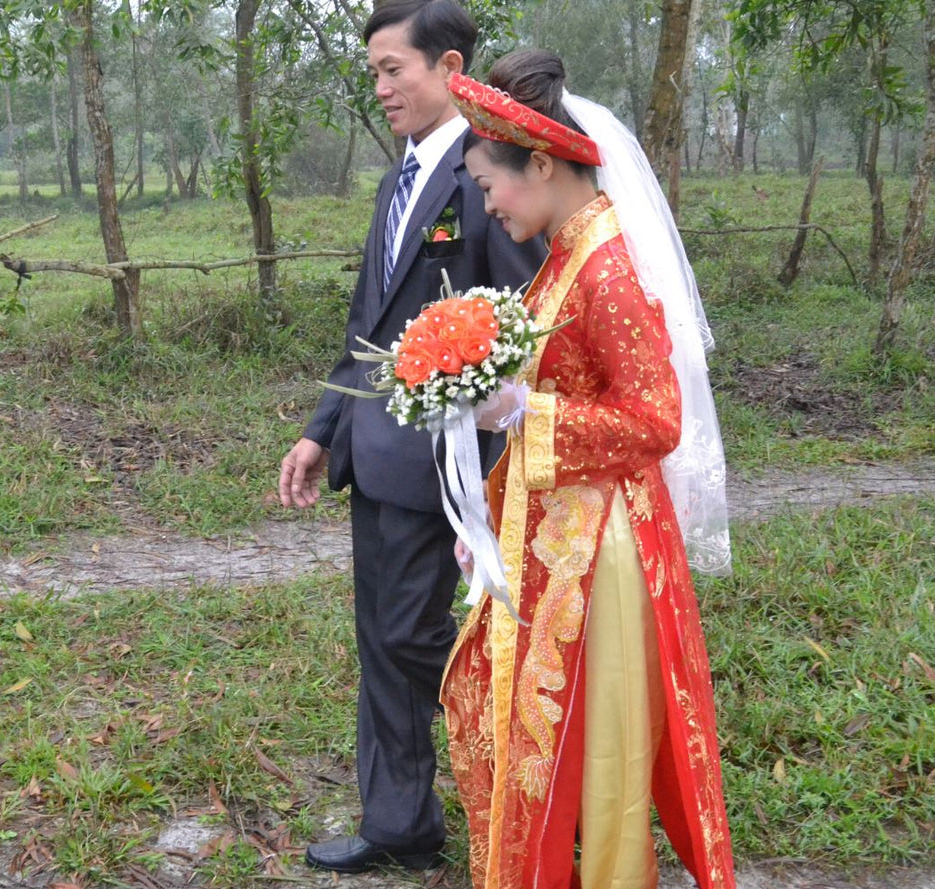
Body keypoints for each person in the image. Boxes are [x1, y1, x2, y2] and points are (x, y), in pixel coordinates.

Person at [440, 50, 737, 888]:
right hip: (562, 533)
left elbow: (655, 419)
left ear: (540, 162)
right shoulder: (567, 252)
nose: (487, 203)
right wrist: (493, 509)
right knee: (533, 730)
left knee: (596, 754)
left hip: (601, 552)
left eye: (490, 183)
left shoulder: (605, 268)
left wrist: (522, 415)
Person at [277, 0, 544, 873]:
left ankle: (534, 777)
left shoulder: (487, 177)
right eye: (376, 75)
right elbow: (370, 323)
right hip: (380, 459)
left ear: (449, 66)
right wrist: (323, 432)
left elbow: (530, 325)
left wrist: (502, 449)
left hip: (456, 468)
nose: (384, 88)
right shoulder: (400, 179)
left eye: (396, 70)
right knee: (382, 641)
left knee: (427, 640)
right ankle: (399, 822)